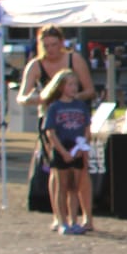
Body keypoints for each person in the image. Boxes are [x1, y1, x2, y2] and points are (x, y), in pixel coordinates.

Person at [40, 68, 95, 235]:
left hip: (76, 148)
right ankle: (62, 221)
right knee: (61, 186)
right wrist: (62, 151)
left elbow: (86, 128)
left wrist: (81, 147)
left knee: (74, 187)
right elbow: (50, 132)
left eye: (75, 84)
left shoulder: (81, 106)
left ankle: (74, 220)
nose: (74, 88)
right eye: (70, 84)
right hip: (62, 148)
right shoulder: (55, 107)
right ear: (61, 87)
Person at [18, 25, 96, 114]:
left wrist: (72, 97)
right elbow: (21, 97)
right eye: (46, 46)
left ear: (62, 43)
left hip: (75, 113)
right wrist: (32, 99)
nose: (50, 49)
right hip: (49, 114)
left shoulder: (75, 59)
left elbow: (90, 91)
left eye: (54, 45)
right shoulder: (35, 65)